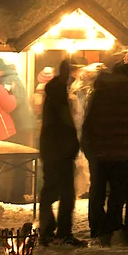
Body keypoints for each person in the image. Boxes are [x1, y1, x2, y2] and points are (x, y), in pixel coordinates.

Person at [82, 60, 128, 244]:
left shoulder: (101, 92)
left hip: (100, 148)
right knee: (118, 191)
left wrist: (88, 145)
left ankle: (98, 228)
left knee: (97, 189)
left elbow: (89, 121)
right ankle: (115, 228)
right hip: (125, 150)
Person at [38, 60, 82, 245]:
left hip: (51, 150)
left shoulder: (51, 102)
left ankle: (47, 229)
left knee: (50, 190)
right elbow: (66, 125)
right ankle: (61, 230)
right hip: (61, 151)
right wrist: (73, 146)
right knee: (65, 192)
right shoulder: (60, 101)